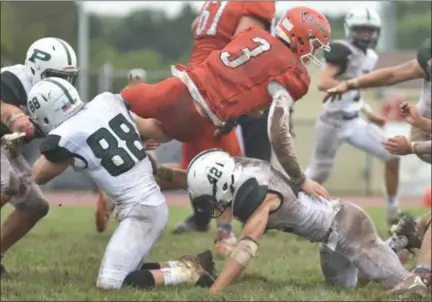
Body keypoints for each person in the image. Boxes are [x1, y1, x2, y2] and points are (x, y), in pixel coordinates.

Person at [121, 6, 333, 204]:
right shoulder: (292, 73)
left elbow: (238, 71)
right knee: (216, 178)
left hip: (180, 89)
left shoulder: (251, 33)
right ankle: (225, 235)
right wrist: (300, 179)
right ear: (299, 38)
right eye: (314, 46)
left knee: (116, 104)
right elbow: (278, 132)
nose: (314, 54)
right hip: (201, 121)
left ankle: (128, 150)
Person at [184, 149, 430, 296]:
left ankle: (414, 245)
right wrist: (159, 171)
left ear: (224, 185)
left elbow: (244, 250)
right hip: (330, 239)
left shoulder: (258, 198)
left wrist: (214, 291)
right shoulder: (241, 168)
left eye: (210, 197)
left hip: (349, 227)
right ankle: (397, 242)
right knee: (348, 285)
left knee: (411, 287)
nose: (211, 203)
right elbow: (194, 180)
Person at [22, 77, 172, 289]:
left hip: (141, 210)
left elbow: (38, 174)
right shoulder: (107, 101)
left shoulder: (67, 135)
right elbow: (155, 129)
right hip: (147, 204)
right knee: (130, 272)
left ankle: (188, 272)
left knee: (110, 283)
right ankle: (184, 266)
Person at [171, 1, 276, 257]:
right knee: (226, 168)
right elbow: (244, 43)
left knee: (190, 171)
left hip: (189, 80)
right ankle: (226, 235)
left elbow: (198, 26)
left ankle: (123, 181)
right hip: (212, 89)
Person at [304, 8, 401, 226]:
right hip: (331, 122)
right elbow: (324, 82)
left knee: (393, 156)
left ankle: (393, 209)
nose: (366, 35)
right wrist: (351, 84)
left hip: (355, 120)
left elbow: (355, 92)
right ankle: (285, 206)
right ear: (351, 30)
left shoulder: (370, 57)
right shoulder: (342, 50)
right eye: (361, 30)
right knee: (317, 175)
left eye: (370, 30)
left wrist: (369, 113)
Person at [0, 37, 79, 276]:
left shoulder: (59, 96)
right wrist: (16, 118)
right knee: (6, 183)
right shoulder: (13, 81)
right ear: (35, 71)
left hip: (6, 147)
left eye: (67, 77)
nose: (62, 83)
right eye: (55, 76)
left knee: (35, 206)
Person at [324, 37, 431, 163]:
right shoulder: (427, 65)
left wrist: (413, 147)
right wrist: (350, 84)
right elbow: (392, 75)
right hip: (423, 127)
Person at [95, 67, 155, 233]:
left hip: (123, 141)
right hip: (138, 140)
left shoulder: (120, 96)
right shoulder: (148, 94)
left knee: (125, 178)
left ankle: (109, 202)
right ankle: (129, 217)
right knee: (144, 180)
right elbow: (151, 122)